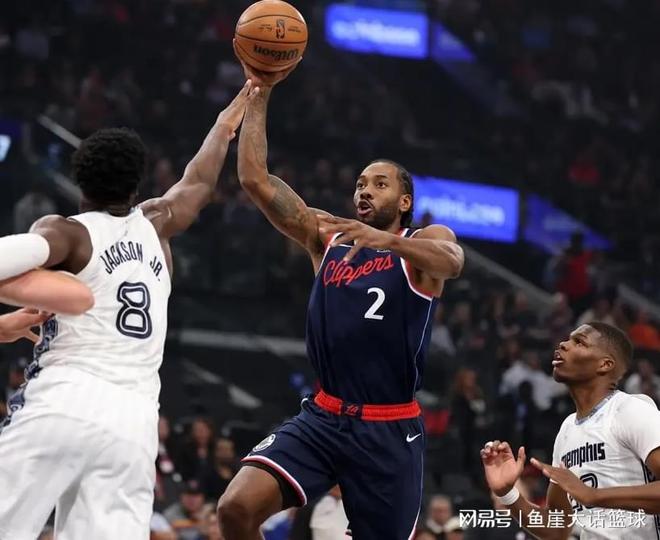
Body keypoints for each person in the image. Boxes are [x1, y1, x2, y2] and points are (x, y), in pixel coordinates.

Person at [217, 56, 464, 540]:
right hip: (324, 416)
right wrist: (260, 91)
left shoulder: (422, 242)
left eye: (379, 184)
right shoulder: (328, 236)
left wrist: (387, 241)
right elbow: (254, 179)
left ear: (405, 201)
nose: (364, 191)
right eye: (360, 184)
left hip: (389, 429)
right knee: (235, 509)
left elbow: (452, 261)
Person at [0, 80, 256, 539]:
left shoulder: (66, 232)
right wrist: (225, 124)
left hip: (66, 398)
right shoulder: (158, 225)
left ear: (80, 177)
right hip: (134, 424)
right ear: (138, 183)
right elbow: (199, 181)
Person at [480, 322, 660, 539]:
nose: (563, 344)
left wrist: (593, 495)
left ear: (604, 364)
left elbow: (588, 496)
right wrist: (508, 494)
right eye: (567, 339)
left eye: (579, 342)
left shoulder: (631, 410)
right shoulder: (567, 429)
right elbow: (558, 528)